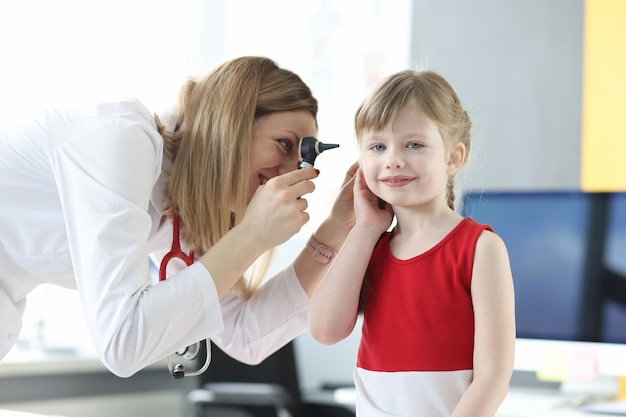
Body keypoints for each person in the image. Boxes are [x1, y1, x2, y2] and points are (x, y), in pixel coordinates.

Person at [0, 56, 356, 378]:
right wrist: (253, 235)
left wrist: (337, 228)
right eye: (284, 144)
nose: (289, 171)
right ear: (230, 123)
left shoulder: (179, 207)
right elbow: (123, 344)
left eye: (302, 158)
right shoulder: (123, 143)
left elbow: (244, 333)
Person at [309, 69, 516, 416]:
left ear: (452, 157)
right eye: (377, 146)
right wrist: (364, 228)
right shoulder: (369, 247)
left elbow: (493, 376)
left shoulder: (480, 248)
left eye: (414, 144)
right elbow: (325, 329)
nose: (393, 159)